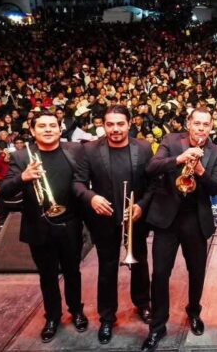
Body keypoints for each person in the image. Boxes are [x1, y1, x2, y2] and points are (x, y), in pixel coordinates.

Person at [0, 110, 88, 343]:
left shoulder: (75, 151)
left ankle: (76, 310)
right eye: (42, 126)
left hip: (70, 224)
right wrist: (23, 177)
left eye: (52, 125)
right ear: (32, 130)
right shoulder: (21, 157)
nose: (48, 130)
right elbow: (3, 191)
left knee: (73, 272)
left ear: (60, 129)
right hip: (39, 226)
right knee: (47, 276)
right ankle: (53, 317)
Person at [140, 107, 217, 352]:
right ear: (189, 124)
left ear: (211, 127)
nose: (201, 128)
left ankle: (194, 312)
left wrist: (201, 172)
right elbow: (151, 168)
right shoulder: (171, 141)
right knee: (160, 274)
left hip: (195, 221)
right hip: (167, 219)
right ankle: (157, 326)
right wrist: (179, 159)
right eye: (197, 123)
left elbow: (216, 189)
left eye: (206, 124)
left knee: (196, 272)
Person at [72, 106, 154, 344]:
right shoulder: (89, 149)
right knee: (107, 269)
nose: (115, 129)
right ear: (103, 125)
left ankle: (143, 304)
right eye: (110, 124)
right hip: (104, 218)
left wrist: (141, 205)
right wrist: (91, 198)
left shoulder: (144, 147)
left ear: (129, 124)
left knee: (140, 262)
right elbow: (78, 183)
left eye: (120, 124)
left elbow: (153, 184)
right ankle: (107, 317)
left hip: (134, 217)